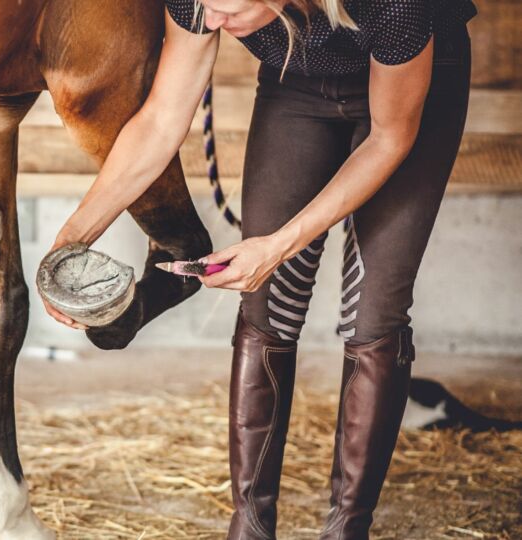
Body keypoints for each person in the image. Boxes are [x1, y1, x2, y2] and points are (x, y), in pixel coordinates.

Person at [43, 0, 476, 537]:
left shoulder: (391, 6)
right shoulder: (203, 3)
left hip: (407, 102)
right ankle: (249, 523)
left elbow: (390, 139)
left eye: (226, 9)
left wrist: (276, 245)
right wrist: (71, 240)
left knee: (373, 311)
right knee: (266, 302)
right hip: (297, 85)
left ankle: (348, 525)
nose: (213, 23)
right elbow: (159, 120)